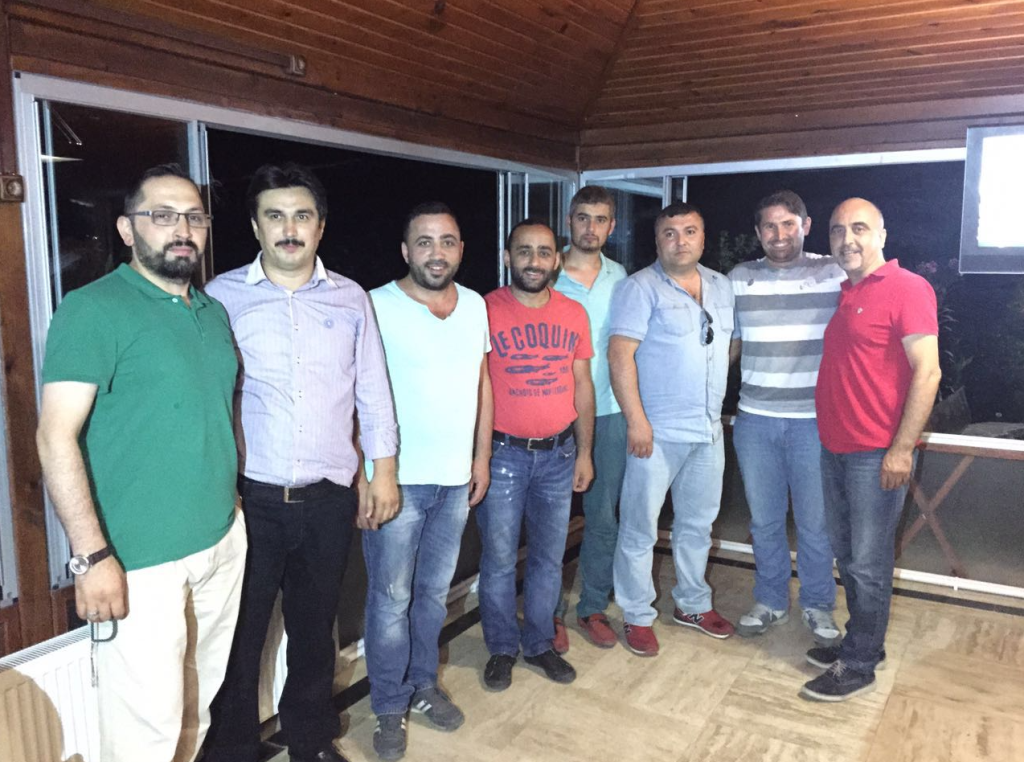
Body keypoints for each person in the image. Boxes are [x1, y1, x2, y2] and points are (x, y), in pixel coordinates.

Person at [36, 163, 247, 762]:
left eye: (194, 217)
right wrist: (92, 556)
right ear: (128, 230)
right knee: (144, 733)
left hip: (222, 541)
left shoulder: (211, 311)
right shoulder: (93, 310)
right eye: (162, 215)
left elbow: (215, 411)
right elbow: (54, 437)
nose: (182, 229)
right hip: (137, 562)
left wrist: (232, 503)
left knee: (196, 709)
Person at [203, 163, 399, 762]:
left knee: (315, 634)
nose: (289, 229)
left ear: (320, 226)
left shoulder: (350, 298)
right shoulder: (219, 299)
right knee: (240, 639)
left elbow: (373, 389)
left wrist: (383, 471)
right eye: (275, 216)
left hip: (328, 499)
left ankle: (310, 741)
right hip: (249, 501)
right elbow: (207, 399)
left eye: (302, 216)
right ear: (255, 227)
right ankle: (233, 750)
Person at [362, 202, 492, 761]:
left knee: (434, 596)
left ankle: (422, 684)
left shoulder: (476, 305)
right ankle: (389, 705)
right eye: (424, 242)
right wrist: (367, 476)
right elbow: (356, 396)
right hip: (396, 484)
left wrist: (480, 458)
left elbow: (482, 384)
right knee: (391, 599)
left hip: (454, 481)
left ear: (461, 249)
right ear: (405, 250)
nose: (436, 253)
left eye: (447, 241)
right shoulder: (374, 305)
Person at [801, 198, 940, 701]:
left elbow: (928, 372)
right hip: (836, 448)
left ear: (882, 235)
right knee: (849, 554)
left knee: (868, 561)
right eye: (838, 231)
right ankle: (864, 641)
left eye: (859, 228)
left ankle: (859, 663)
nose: (847, 239)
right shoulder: (848, 291)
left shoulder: (908, 287)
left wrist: (902, 450)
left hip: (876, 452)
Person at [609, 202, 735, 657]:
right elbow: (620, 355)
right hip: (656, 433)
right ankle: (637, 614)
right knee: (639, 528)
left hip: (708, 431)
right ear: (657, 240)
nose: (680, 241)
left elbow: (729, 344)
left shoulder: (722, 286)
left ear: (702, 237)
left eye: (689, 231)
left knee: (697, 525)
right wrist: (637, 421)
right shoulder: (638, 288)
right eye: (670, 233)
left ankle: (693, 604)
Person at [477, 219, 595, 691]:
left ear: (557, 261)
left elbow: (582, 384)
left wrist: (585, 452)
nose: (534, 261)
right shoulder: (484, 310)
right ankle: (502, 647)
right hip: (503, 454)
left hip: (559, 455)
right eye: (524, 251)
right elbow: (476, 386)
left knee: (549, 558)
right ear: (508, 257)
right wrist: (478, 457)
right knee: (500, 560)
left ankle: (540, 642)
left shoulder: (573, 313)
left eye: (544, 252)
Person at [728, 190, 845, 644]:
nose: (779, 234)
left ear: (806, 225)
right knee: (765, 522)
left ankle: (817, 604)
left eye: (788, 224)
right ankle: (771, 600)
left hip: (814, 422)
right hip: (755, 421)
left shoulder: (833, 272)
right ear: (758, 232)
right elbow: (730, 345)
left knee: (816, 524)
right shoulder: (740, 278)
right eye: (770, 226)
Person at [552, 185, 628, 651]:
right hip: (555, 415)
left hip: (611, 413)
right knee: (551, 522)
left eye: (601, 219)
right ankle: (548, 612)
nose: (591, 227)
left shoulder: (622, 278)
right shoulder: (546, 273)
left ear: (612, 226)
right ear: (569, 221)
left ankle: (592, 605)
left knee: (603, 517)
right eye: (583, 217)